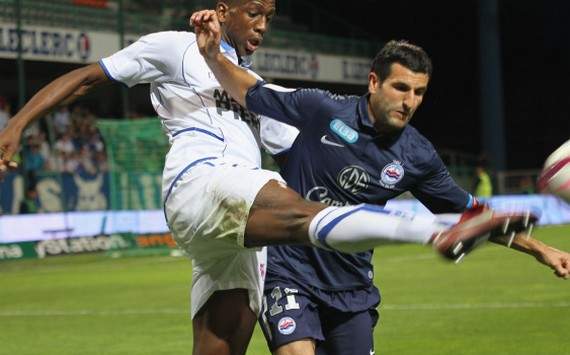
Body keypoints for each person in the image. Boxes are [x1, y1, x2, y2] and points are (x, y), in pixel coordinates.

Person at [0, 2, 534, 354]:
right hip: (200, 183)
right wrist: (18, 124)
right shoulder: (172, 46)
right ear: (224, 9)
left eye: (271, 16)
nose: (263, 24)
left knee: (223, 337)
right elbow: (89, 77)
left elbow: (299, 142)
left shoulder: (253, 87)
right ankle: (431, 234)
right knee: (287, 200)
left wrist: (533, 248)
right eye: (253, 12)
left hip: (232, 231)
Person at [192, 12, 570, 355]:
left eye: (419, 92)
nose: (410, 101)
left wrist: (540, 250)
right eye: (401, 88)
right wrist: (213, 56)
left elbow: (471, 213)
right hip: (289, 273)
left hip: (351, 288)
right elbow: (252, 93)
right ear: (374, 82)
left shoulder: (416, 156)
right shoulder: (323, 109)